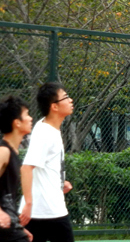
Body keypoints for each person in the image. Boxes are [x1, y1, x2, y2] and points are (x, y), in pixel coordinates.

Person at [20, 82, 75, 242]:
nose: (70, 100)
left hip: (46, 211)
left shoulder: (47, 127)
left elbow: (42, 167)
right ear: (54, 107)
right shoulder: (46, 133)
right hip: (46, 212)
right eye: (65, 97)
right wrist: (28, 204)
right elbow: (26, 168)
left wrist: (59, 182)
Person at [0, 95, 34, 242]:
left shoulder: (13, 152)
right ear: (17, 123)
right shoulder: (4, 151)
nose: (31, 118)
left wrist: (20, 227)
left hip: (9, 225)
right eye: (27, 114)